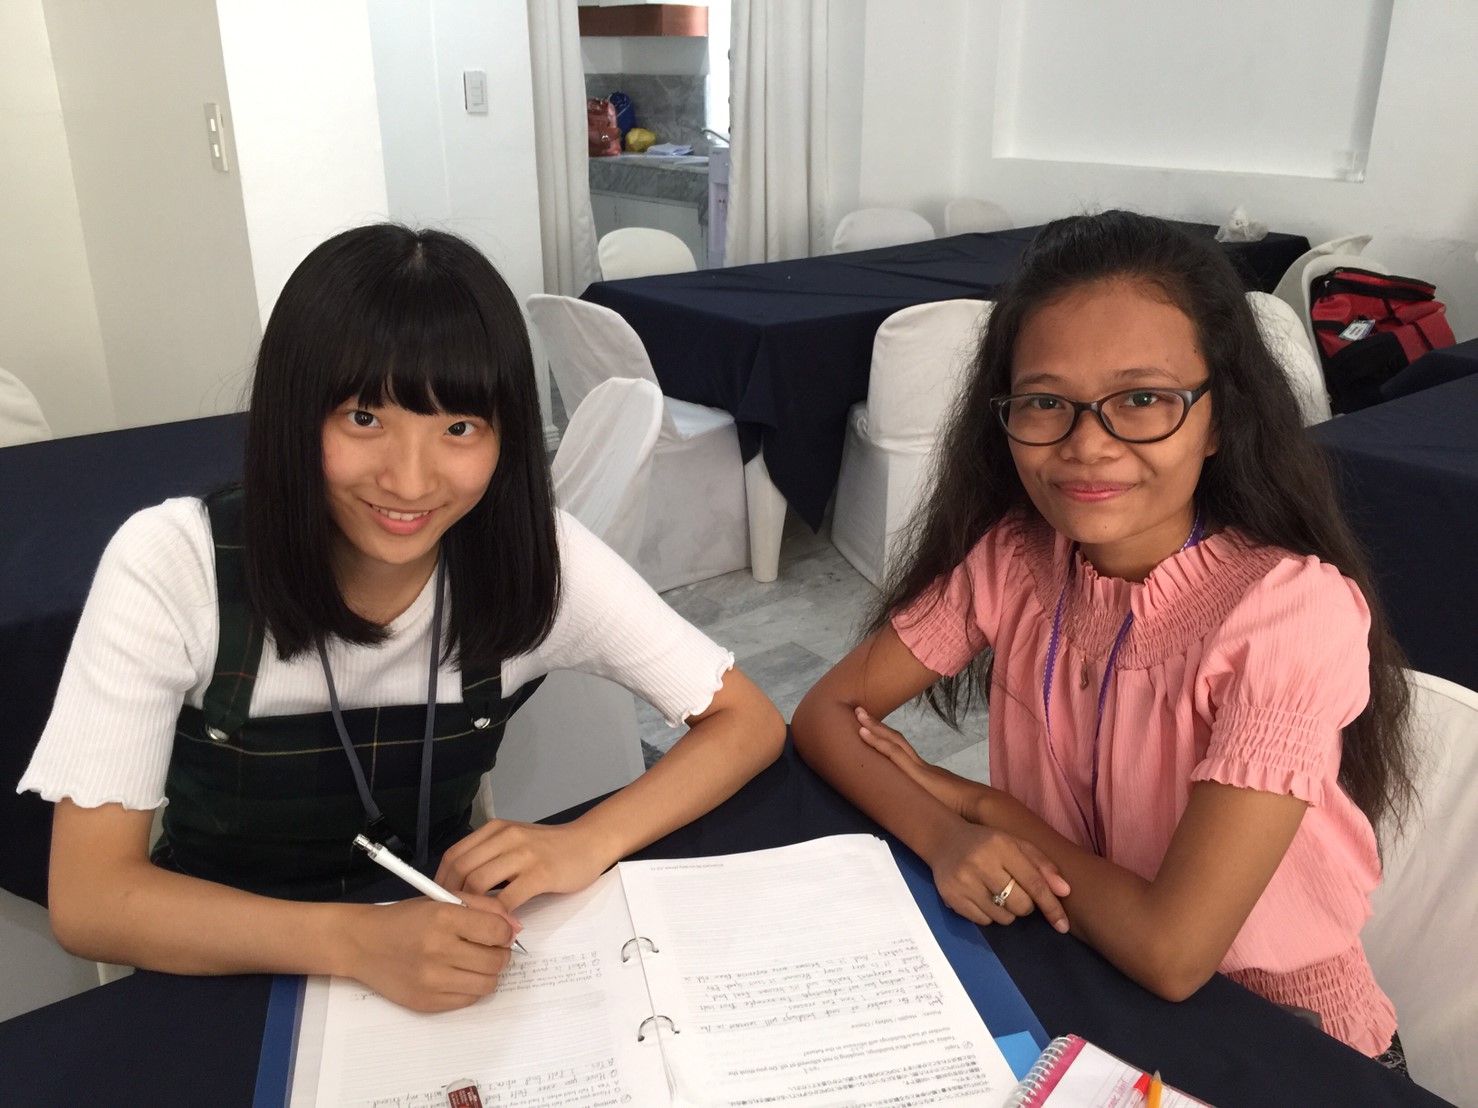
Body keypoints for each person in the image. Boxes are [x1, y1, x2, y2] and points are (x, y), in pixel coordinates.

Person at [20, 224, 784, 1012]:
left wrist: (586, 840)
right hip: (218, 975)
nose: (411, 482)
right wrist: (356, 942)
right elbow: (92, 900)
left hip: (441, 972)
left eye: (458, 428)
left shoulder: (534, 559)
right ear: (294, 413)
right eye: (364, 419)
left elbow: (748, 722)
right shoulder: (175, 564)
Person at [792, 211, 1415, 1060]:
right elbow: (826, 713)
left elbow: (1172, 952)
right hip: (1081, 983)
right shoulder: (1016, 557)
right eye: (1046, 402)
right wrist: (946, 835)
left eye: (1143, 399)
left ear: (1220, 418)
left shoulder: (1288, 612)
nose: (1087, 445)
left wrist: (987, 807)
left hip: (1282, 1038)